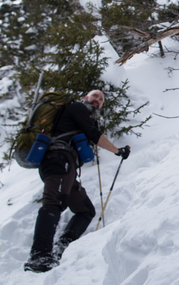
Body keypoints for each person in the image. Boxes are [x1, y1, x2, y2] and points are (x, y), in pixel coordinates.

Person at [24, 90, 130, 273]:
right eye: (94, 96)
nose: (97, 100)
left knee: (86, 211)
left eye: (101, 99)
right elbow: (93, 134)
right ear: (84, 98)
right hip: (58, 160)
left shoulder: (83, 115)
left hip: (67, 167)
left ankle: (61, 248)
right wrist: (117, 151)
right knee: (53, 203)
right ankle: (39, 256)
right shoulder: (77, 107)